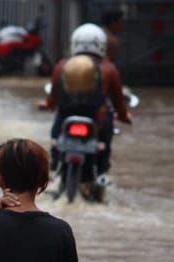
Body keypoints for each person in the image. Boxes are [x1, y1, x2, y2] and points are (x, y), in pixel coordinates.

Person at [45, 23, 131, 198]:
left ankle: (55, 168)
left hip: (65, 120)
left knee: (55, 135)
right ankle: (100, 173)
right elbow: (118, 101)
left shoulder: (62, 65)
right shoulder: (109, 68)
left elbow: (52, 100)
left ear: (74, 42)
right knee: (105, 139)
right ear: (101, 44)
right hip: (96, 123)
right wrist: (123, 116)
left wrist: (47, 105)